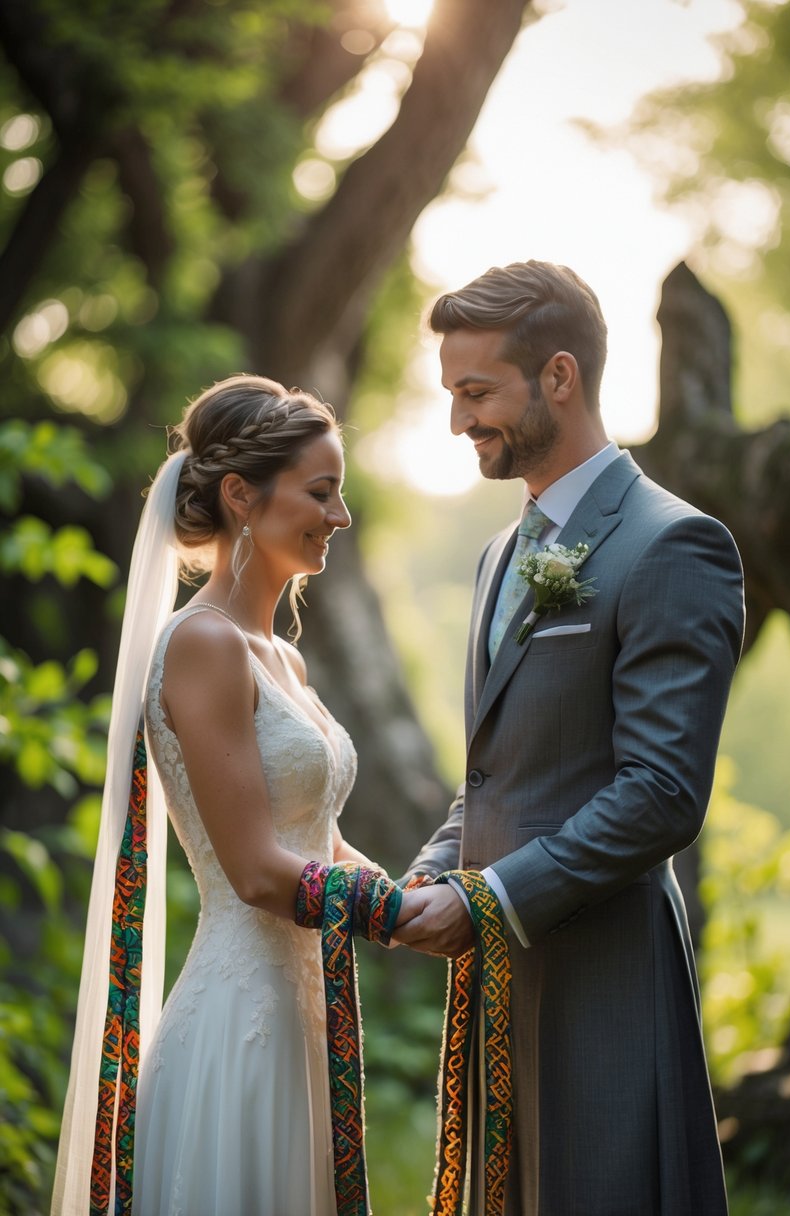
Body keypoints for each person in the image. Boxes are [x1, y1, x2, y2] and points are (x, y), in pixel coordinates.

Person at [395, 261, 745, 1215]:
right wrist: (438, 868)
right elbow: (499, 766)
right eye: (452, 395)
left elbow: (662, 792)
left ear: (559, 376)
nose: (459, 421)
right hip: (498, 980)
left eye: (476, 393)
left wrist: (497, 895)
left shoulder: (673, 544)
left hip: (602, 977)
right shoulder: (497, 554)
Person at [52, 374, 411, 1216]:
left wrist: (418, 892)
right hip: (239, 1021)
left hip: (306, 1021)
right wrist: (388, 920)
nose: (340, 516)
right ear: (242, 496)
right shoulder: (203, 644)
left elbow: (312, 837)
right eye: (321, 492)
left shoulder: (280, 656)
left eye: (341, 493)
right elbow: (254, 872)